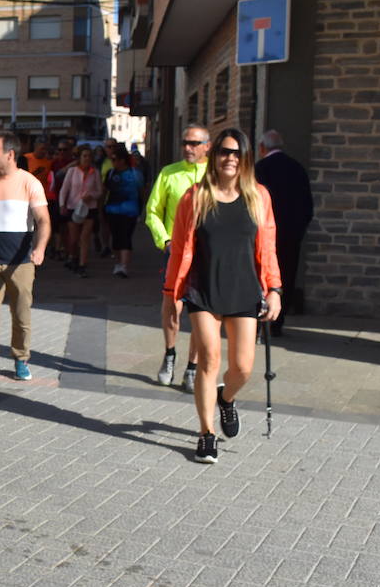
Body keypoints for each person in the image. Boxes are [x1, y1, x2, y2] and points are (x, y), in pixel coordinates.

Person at [163, 129, 281, 464]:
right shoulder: (195, 197)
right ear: (213, 157)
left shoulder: (259, 196)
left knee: (242, 368)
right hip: (203, 289)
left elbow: (269, 247)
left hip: (244, 289)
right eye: (224, 152)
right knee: (209, 359)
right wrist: (173, 292)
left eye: (237, 153)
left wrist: (274, 288)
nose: (230, 158)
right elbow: (180, 250)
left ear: (245, 159)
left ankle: (225, 399)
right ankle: (206, 433)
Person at [0, 132, 51, 396]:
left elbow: (44, 221)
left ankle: (20, 357)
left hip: (21, 263)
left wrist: (39, 249)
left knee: (21, 314)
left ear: (11, 154)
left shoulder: (30, 183)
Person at [145, 124, 210, 392]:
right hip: (176, 253)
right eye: (185, 142)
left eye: (195, 143)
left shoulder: (215, 175)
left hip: (206, 256)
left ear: (207, 146)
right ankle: (170, 354)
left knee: (201, 314)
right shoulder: (168, 173)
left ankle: (192, 367)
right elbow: (152, 212)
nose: (188, 148)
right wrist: (166, 241)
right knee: (172, 308)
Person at [254, 128, 312, 335]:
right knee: (286, 275)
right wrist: (297, 232)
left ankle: (259, 320)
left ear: (262, 148)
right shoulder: (297, 168)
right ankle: (278, 321)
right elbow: (307, 206)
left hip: (263, 236)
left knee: (262, 275)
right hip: (291, 236)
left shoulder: (260, 168)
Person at [58, 145, 103, 278]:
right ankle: (73, 257)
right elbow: (64, 190)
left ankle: (82, 265)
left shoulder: (95, 172)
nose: (87, 158)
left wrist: (92, 196)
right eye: (84, 156)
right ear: (79, 158)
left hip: (90, 208)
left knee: (85, 237)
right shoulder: (72, 171)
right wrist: (62, 205)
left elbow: (100, 191)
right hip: (73, 207)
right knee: (73, 238)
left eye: (89, 156)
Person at [104, 147, 145, 277]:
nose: (113, 162)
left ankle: (124, 266)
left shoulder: (135, 174)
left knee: (126, 237)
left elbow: (142, 191)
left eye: (115, 159)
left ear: (122, 160)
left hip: (130, 211)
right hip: (112, 210)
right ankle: (118, 263)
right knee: (116, 239)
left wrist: (141, 209)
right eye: (112, 159)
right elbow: (105, 191)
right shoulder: (110, 173)